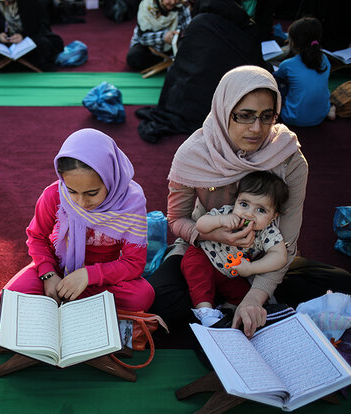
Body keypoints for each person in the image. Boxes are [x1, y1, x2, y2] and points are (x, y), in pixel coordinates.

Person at [147, 65, 351, 337]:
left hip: (263, 254)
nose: (257, 128)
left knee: (341, 285)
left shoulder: (287, 157)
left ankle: (232, 307)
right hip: (203, 248)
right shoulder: (193, 155)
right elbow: (177, 220)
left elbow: (287, 240)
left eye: (267, 116)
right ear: (224, 110)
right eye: (245, 116)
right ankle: (227, 309)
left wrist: (255, 298)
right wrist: (215, 234)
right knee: (162, 303)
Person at [0, 128, 155, 311]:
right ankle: (77, 301)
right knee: (9, 299)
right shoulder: (54, 195)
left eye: (92, 193)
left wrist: (88, 276)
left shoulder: (130, 204)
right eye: (72, 191)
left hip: (102, 277)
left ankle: (64, 301)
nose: (81, 202)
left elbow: (133, 263)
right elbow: (37, 237)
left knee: (142, 296)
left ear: (111, 178)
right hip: (58, 269)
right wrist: (48, 275)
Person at [136, 0, 267, 143]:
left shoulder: (199, 23)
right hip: (233, 99)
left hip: (195, 102)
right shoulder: (245, 27)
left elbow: (180, 68)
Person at [185, 171, 289, 326]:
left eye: (260, 210)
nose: (249, 214)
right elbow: (200, 225)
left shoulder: (267, 231)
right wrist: (220, 220)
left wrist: (252, 268)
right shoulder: (227, 213)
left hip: (231, 273)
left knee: (245, 294)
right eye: (244, 204)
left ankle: (227, 311)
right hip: (206, 257)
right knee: (197, 271)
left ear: (274, 216)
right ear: (236, 201)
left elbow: (280, 256)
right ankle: (205, 311)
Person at [274, 17, 334, 127]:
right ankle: (329, 109)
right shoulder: (324, 59)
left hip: (292, 118)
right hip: (320, 116)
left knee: (277, 82)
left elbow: (277, 76)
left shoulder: (288, 64)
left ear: (291, 42)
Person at [0, 0, 64, 71]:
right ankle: (18, 65)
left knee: (44, 43)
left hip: (26, 44)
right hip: (3, 45)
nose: (7, 4)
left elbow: (40, 27)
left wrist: (23, 36)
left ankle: (8, 65)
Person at [126, 0, 191, 72]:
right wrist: (163, 36)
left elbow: (187, 32)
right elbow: (142, 37)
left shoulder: (181, 8)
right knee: (134, 57)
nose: (173, 2)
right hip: (148, 47)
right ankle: (167, 62)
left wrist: (176, 37)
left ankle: (170, 61)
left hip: (170, 48)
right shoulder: (146, 6)